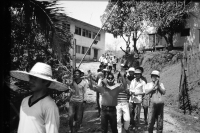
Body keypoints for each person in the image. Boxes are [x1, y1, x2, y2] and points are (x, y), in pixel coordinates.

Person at [10, 62, 69, 133]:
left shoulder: (49, 106)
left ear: (46, 82)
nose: (31, 81)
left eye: (35, 78)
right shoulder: (25, 101)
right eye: (31, 78)